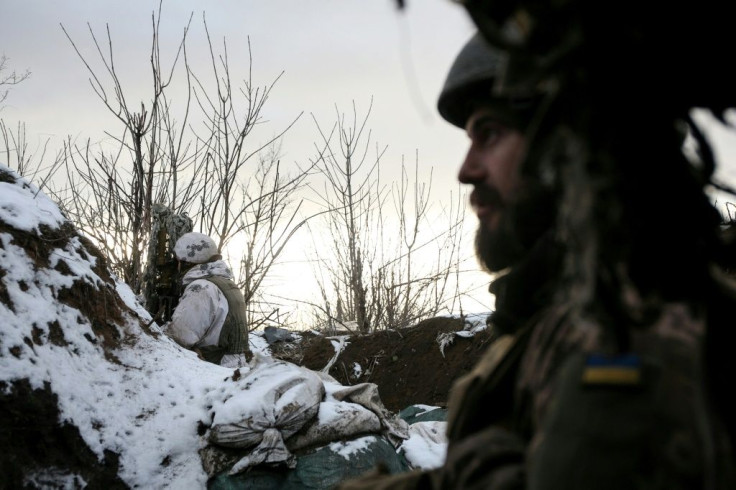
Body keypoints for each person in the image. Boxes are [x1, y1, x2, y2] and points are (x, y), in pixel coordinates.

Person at [340, 5, 736, 487]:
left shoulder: (628, 324)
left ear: (569, 148)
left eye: (490, 134)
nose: (466, 170)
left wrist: (478, 463)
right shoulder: (561, 311)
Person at [164, 232, 251, 368]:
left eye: (177, 260)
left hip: (214, 370)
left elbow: (180, 336)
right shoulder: (225, 283)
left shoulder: (201, 288)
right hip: (234, 367)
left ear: (184, 262)